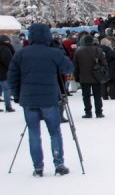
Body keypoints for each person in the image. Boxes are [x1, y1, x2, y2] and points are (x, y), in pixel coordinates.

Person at [7, 23, 74, 176]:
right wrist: (58, 52)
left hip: (28, 100)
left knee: (33, 134)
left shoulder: (21, 54)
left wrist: (17, 95)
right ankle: (59, 164)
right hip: (49, 99)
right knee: (55, 132)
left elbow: (12, 77)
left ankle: (38, 168)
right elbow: (68, 68)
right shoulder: (53, 53)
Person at [73, 35, 107, 118]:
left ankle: (88, 112)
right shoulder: (98, 50)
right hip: (96, 77)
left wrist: (76, 77)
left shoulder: (78, 51)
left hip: (84, 77)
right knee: (97, 95)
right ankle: (99, 112)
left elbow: (76, 67)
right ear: (92, 41)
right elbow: (104, 64)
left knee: (86, 96)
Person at [0, 34, 16, 112]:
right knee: (6, 89)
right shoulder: (5, 49)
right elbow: (8, 61)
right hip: (4, 73)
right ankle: (8, 106)